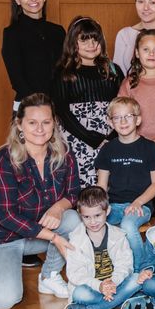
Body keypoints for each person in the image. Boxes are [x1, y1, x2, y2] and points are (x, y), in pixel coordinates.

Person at [0, 94, 82, 309]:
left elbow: (73, 193)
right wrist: (54, 238)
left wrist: (59, 208)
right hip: (0, 237)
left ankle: (48, 276)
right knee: (3, 301)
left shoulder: (64, 154)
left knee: (73, 219)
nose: (40, 129)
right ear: (19, 124)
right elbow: (7, 216)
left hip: (36, 233)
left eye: (46, 122)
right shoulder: (5, 159)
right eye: (32, 122)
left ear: (54, 123)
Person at [52, 16, 122, 185]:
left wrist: (112, 136)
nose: (91, 45)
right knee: (81, 180)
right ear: (72, 43)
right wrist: (90, 137)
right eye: (83, 40)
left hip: (109, 135)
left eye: (95, 39)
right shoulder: (64, 73)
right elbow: (61, 110)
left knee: (110, 179)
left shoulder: (113, 70)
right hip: (77, 136)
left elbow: (122, 103)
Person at [95, 96, 155, 259]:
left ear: (138, 120)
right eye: (117, 117)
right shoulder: (107, 149)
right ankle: (105, 267)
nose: (123, 121)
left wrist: (138, 202)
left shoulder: (150, 147)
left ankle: (141, 268)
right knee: (94, 224)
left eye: (128, 116)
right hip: (113, 205)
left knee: (127, 224)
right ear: (111, 122)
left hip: (142, 206)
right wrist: (100, 208)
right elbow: (101, 186)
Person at [61, 187, 143, 309]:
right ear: (79, 214)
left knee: (136, 279)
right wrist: (99, 286)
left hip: (115, 284)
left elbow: (125, 265)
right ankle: (118, 300)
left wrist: (112, 282)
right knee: (79, 294)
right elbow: (75, 274)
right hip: (92, 288)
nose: (92, 222)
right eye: (86, 217)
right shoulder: (76, 239)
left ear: (108, 211)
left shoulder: (118, 235)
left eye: (97, 215)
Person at [117, 28, 155, 184]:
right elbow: (121, 115)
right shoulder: (129, 83)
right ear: (137, 53)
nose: (151, 54)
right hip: (136, 148)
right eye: (146, 49)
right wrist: (136, 142)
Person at [1, 0, 65, 110]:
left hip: (58, 105)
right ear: (17, 0)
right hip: (28, 104)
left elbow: (64, 70)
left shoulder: (58, 31)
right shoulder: (12, 33)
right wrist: (39, 105)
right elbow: (17, 79)